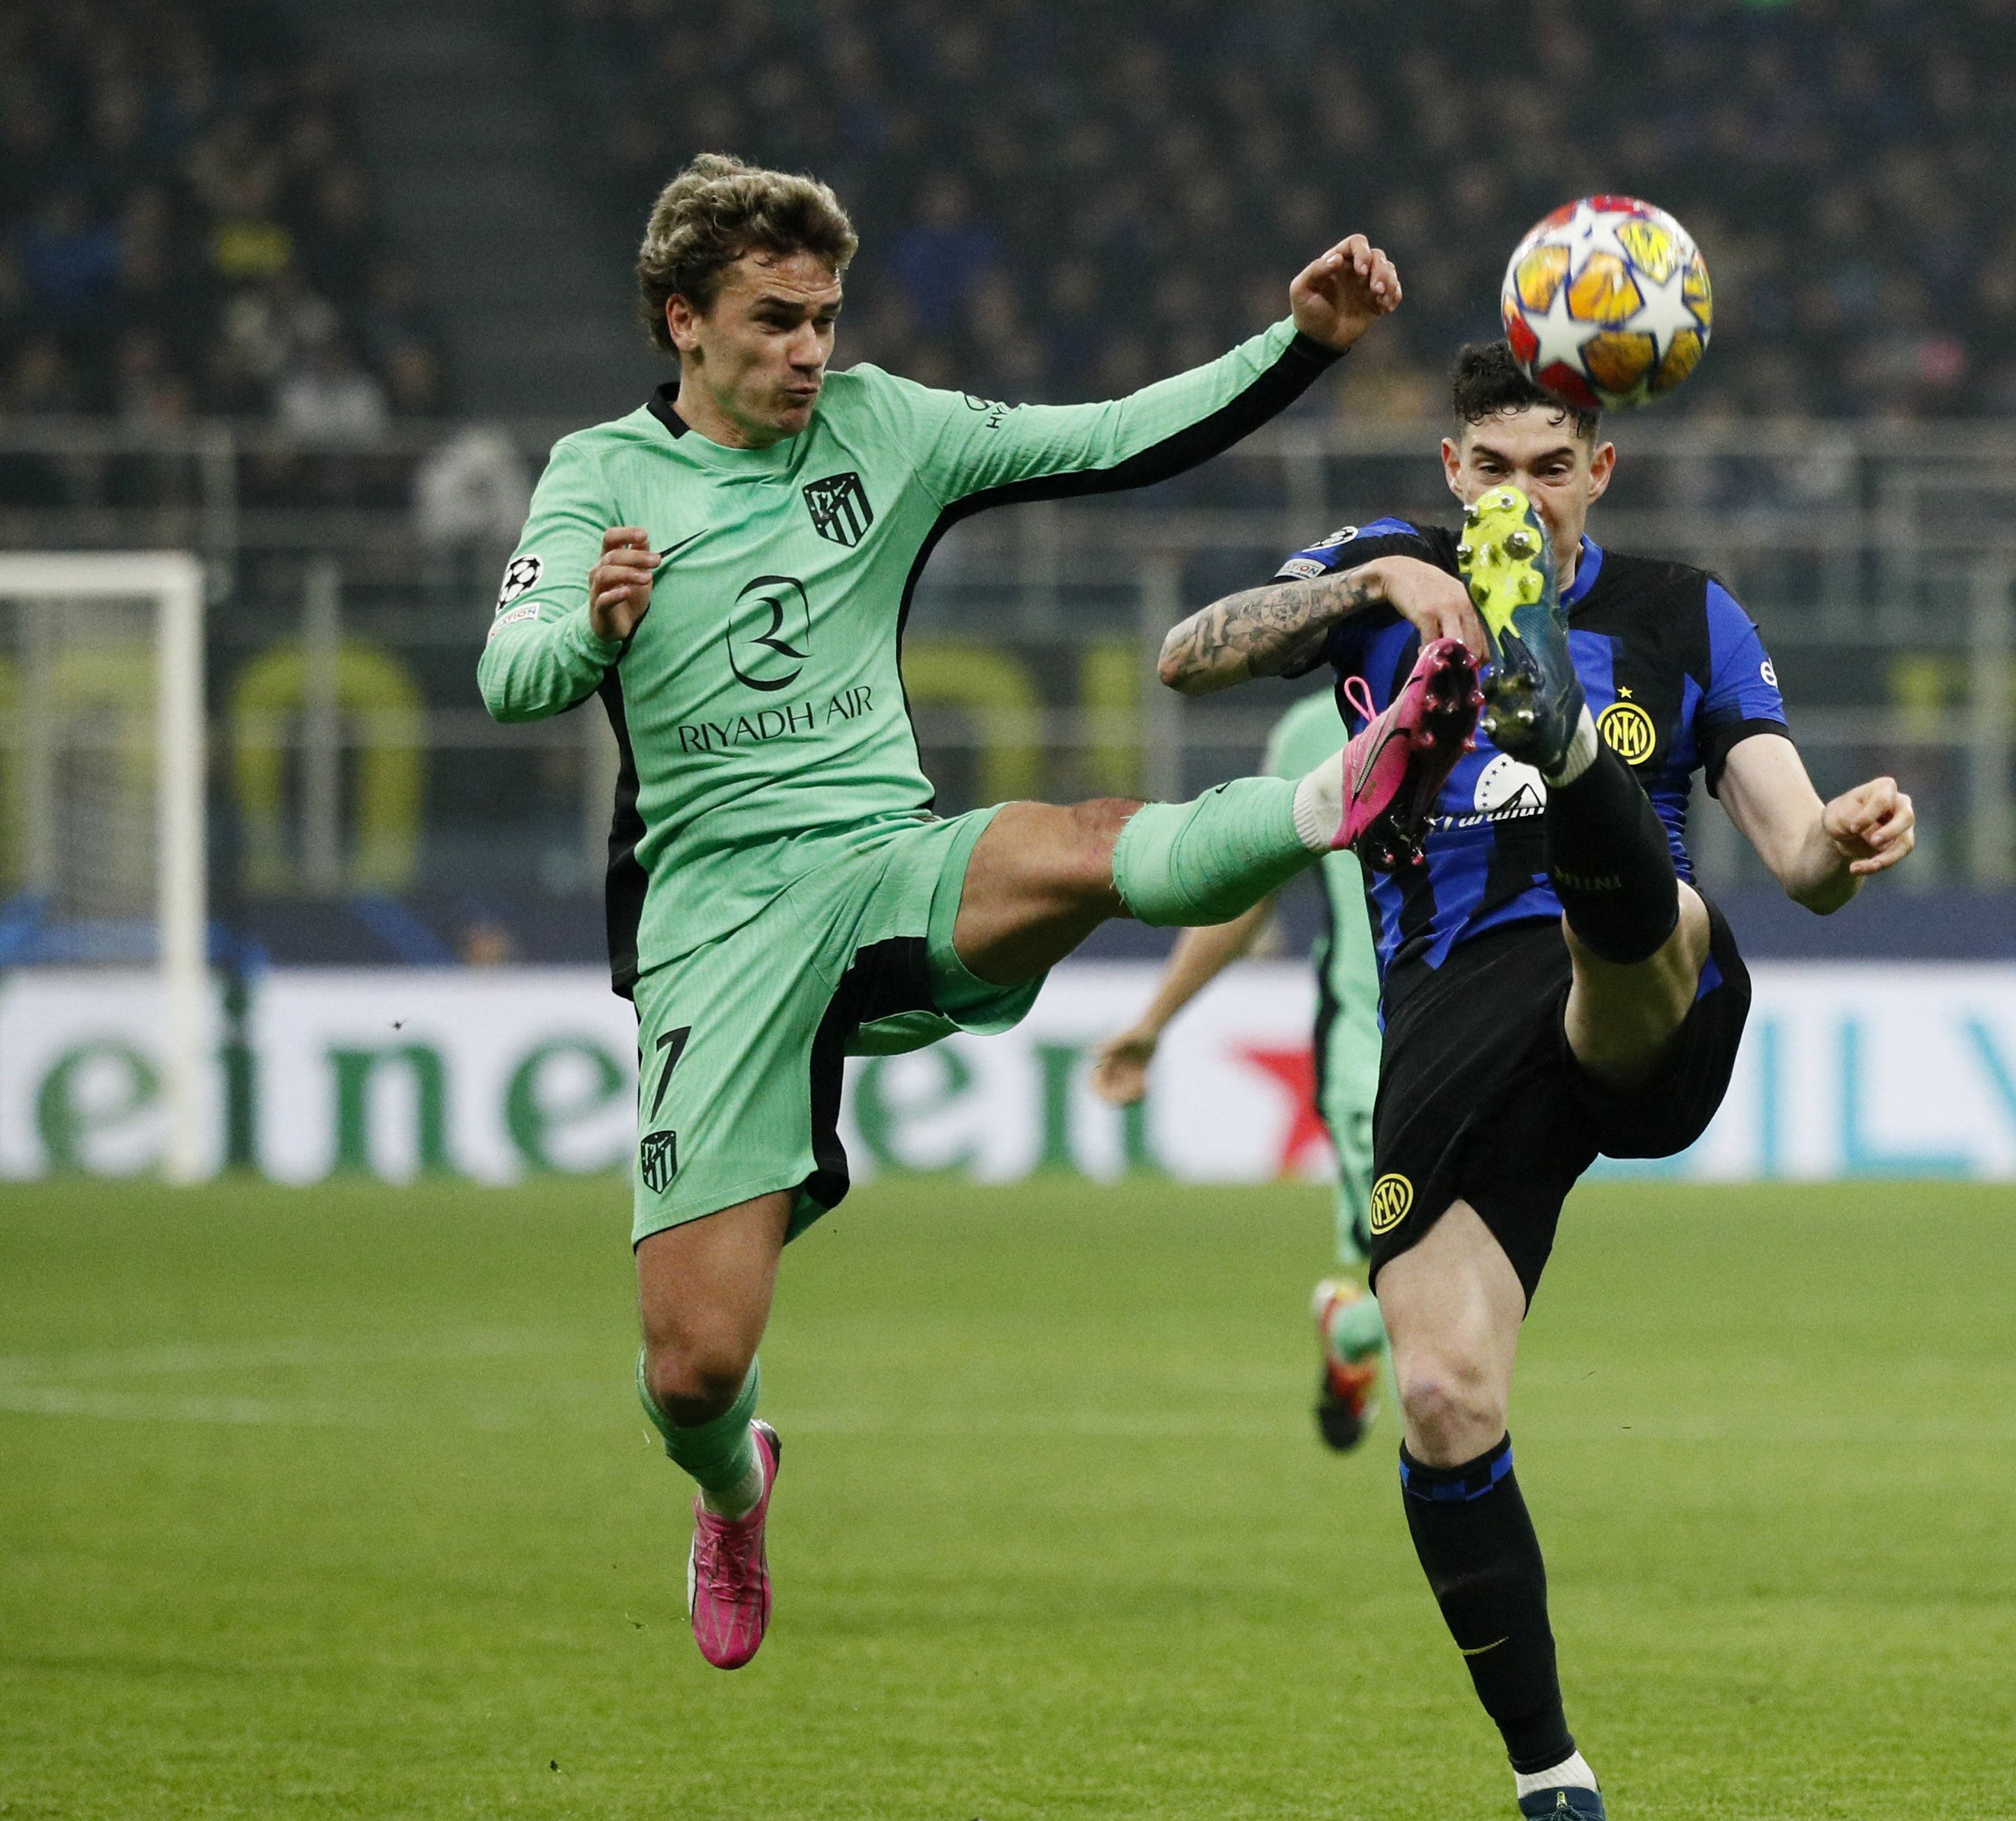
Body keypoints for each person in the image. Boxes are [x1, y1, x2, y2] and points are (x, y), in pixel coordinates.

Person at [476, 154, 1481, 1676]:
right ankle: (734, 1488)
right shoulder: (599, 474)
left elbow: (1114, 437)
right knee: (694, 1366)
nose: (810, 350)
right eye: (774, 320)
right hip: (716, 929)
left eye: (825, 317)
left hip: (882, 858)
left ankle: (1326, 795)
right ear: (683, 320)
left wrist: (1301, 345)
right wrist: (589, 625)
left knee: (1080, 840)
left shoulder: (887, 427)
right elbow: (510, 673)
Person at [1157, 342, 1916, 1821]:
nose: (1521, 491)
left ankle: (1561, 747)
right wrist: (1380, 575)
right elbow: (1189, 655)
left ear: (1597, 473)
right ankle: (1552, 1793)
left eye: (1548, 467)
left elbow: (1793, 846)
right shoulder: (1377, 583)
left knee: (1631, 920)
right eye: (1490, 469)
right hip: (1440, 1022)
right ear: (1450, 471)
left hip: (1635, 982)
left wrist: (1840, 836)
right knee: (1436, 1393)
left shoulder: (1680, 610)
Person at [1091, 690, 1390, 1449]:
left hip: (1491, 1038)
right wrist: (1154, 1021)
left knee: (1476, 1269)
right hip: (1372, 1049)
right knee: (1429, 1288)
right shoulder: (1312, 734)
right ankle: (1362, 1337)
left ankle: (1351, 1330)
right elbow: (1248, 895)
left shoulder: (1508, 701)